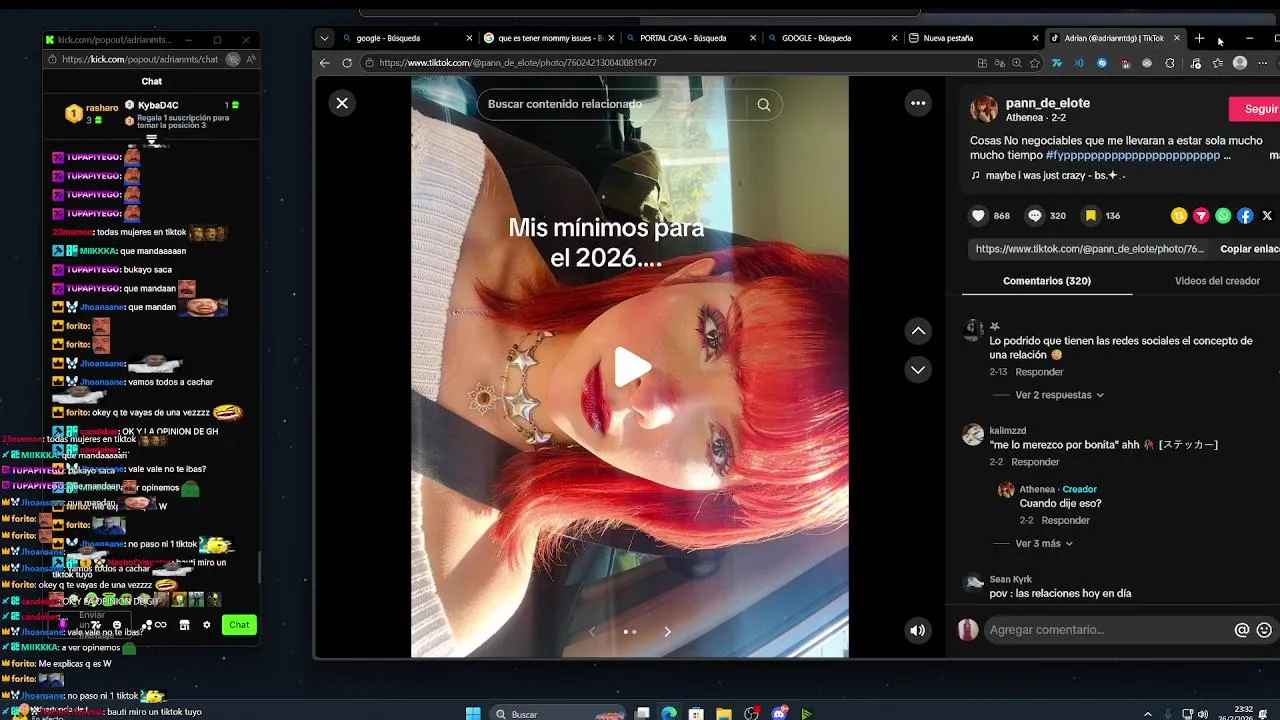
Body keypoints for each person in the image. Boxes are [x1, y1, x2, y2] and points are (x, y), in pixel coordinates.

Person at [408, 111, 849, 657]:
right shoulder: (453, 190)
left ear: (703, 497)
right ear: (692, 275)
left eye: (719, 447)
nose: (651, 400)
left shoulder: (462, 588)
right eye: (712, 335)